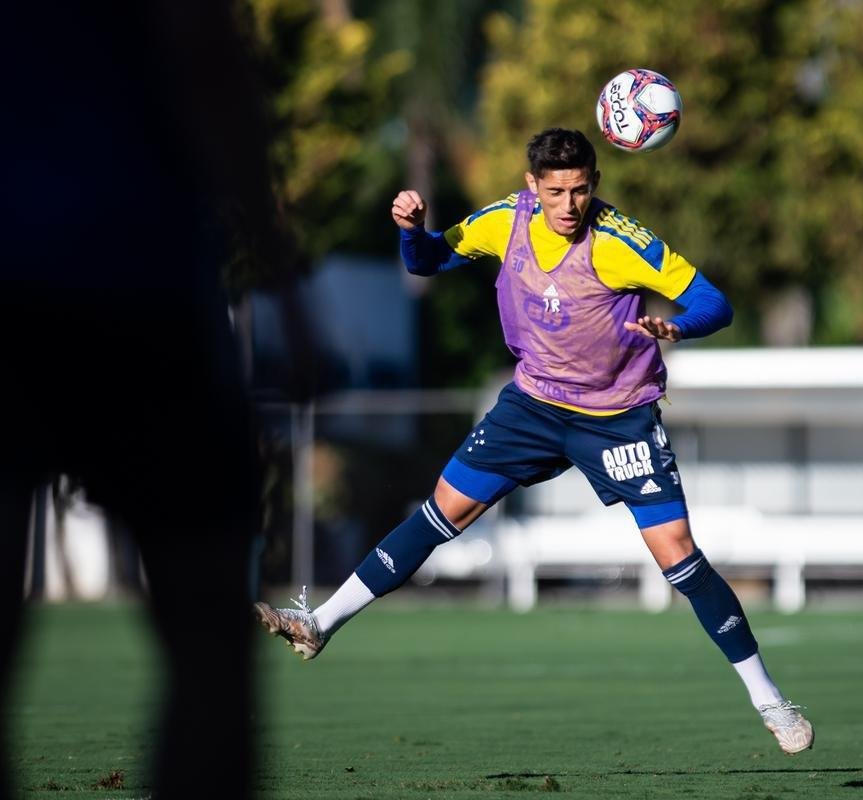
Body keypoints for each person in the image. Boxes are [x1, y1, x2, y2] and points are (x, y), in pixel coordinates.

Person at [253, 128, 814, 755]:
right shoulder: (503, 222)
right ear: (532, 187)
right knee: (444, 509)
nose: (569, 204)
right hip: (533, 407)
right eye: (556, 191)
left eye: (579, 190)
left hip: (617, 417)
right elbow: (428, 261)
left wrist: (677, 327)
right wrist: (412, 230)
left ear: (595, 184)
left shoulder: (624, 241)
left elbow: (717, 304)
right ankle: (320, 623)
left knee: (678, 553)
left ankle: (770, 700)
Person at [0, 4, 286, 797]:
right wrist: (276, 260)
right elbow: (205, 50)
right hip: (139, 290)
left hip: (96, 286)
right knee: (208, 642)